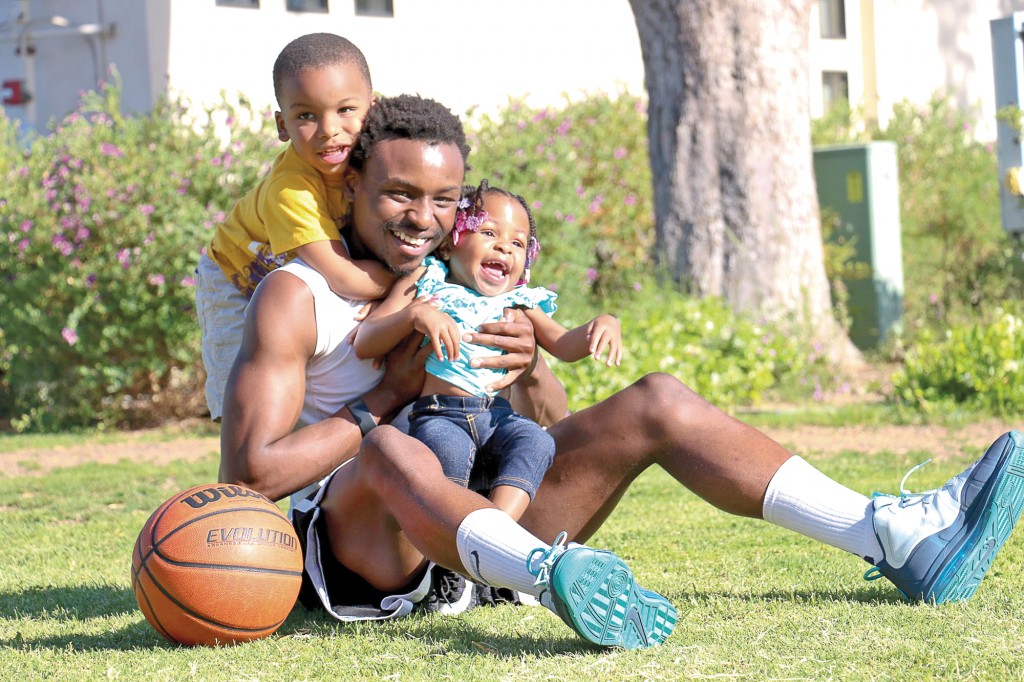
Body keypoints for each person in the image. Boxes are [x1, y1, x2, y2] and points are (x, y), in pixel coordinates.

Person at [219, 94, 1024, 651]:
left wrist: (529, 362)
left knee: (658, 401)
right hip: (367, 543)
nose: (422, 219)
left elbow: (543, 424)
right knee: (394, 448)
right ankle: (551, 574)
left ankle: (893, 535)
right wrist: (390, 398)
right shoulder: (299, 296)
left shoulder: (464, 281)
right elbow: (247, 478)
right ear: (352, 183)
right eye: (398, 194)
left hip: (485, 524)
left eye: (444, 200)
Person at [351, 179, 622, 521]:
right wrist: (414, 315)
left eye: (518, 243)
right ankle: (447, 551)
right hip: (439, 414)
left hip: (497, 415)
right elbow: (365, 341)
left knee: (536, 442)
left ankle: (496, 534)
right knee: (447, 452)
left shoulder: (521, 303)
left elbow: (565, 345)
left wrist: (604, 321)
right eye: (489, 233)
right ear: (449, 246)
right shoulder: (428, 281)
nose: (505, 248)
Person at [195, 32, 394, 422]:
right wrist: (402, 281)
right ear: (281, 124)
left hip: (292, 280)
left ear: (373, 108)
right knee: (242, 396)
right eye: (305, 115)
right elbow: (344, 278)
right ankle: (238, 472)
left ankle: (300, 464)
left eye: (345, 110)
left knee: (305, 381)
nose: (328, 129)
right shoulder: (291, 188)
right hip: (235, 280)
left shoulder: (377, 163)